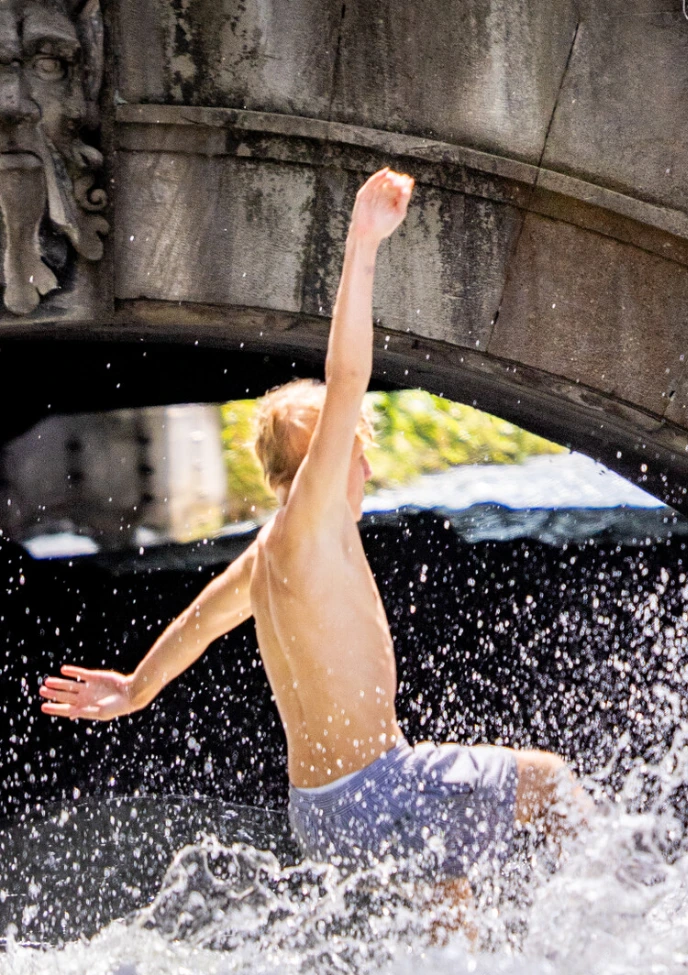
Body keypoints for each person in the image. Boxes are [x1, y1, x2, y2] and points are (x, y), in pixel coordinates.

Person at [38, 168, 580, 894]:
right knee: (551, 781)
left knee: (449, 885)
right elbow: (347, 372)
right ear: (342, 454)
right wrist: (362, 245)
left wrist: (136, 688)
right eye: (345, 445)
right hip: (377, 783)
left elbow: (197, 624)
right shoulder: (314, 513)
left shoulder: (264, 558)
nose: (354, 459)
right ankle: (654, 921)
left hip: (320, 814)